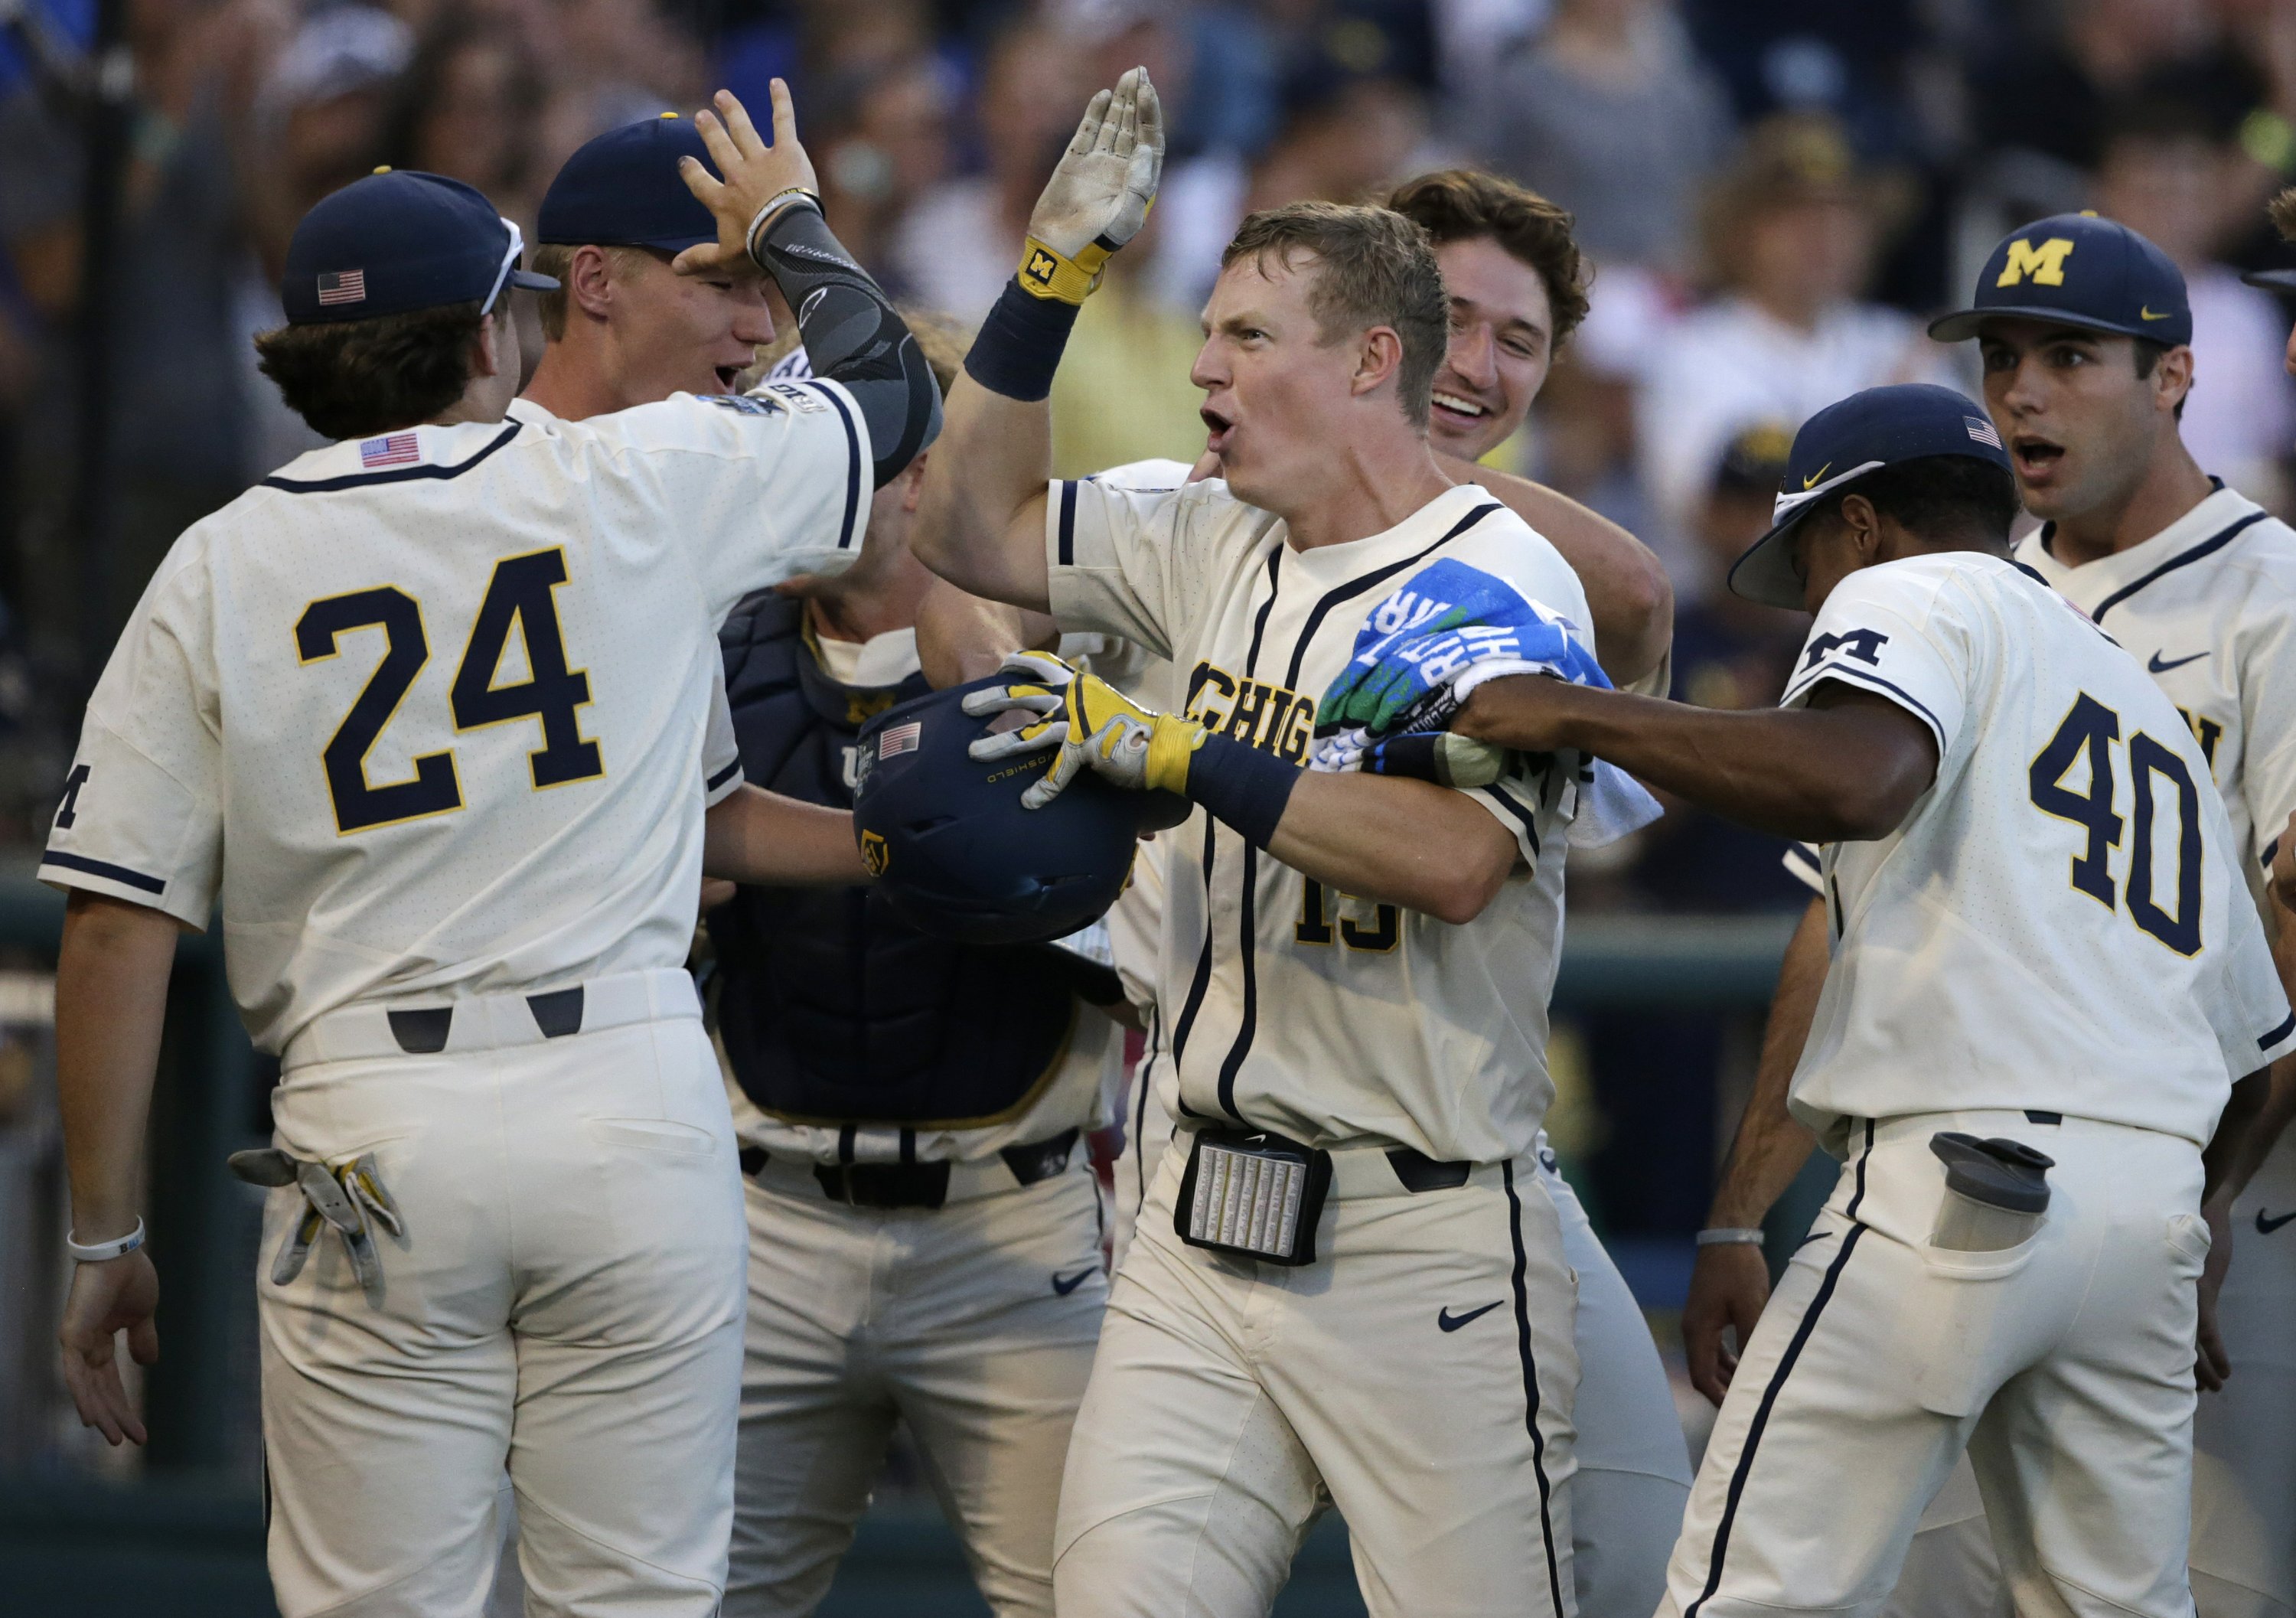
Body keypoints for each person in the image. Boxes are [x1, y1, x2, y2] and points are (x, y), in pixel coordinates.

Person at [46, 85, 940, 1617]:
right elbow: (888, 394)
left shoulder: (218, 560)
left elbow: (119, 930)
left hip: (372, 1124)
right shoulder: (630, 482)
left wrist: (107, 1230)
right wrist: (792, 221)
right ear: (486, 335)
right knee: (638, 1598)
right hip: (626, 1108)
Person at [915, 70, 1631, 1618]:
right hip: (1188, 1222)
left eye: (1248, 334)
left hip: (1419, 1233)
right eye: (1210, 327)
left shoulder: (1494, 590)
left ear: (1372, 358)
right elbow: (965, 530)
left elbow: (1452, 861)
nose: (1205, 363)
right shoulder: (1204, 525)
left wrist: (1184, 752)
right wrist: (1050, 276)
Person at [1455, 381, 2294, 1618]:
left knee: (1755, 1591)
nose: (1808, 606)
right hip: (2152, 1212)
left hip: (1967, 1181)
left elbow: (1859, 778)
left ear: (1856, 525)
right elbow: (2258, 1047)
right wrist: (2200, 1201)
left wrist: (1582, 710)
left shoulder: (1912, 589)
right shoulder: (2134, 701)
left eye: (1804, 564)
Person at [1688, 212, 2296, 1618]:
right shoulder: (1973, 595)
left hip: (2235, 1208)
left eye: (2073, 354)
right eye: (2004, 355)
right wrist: (1737, 1212)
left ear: (2175, 378)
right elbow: (1838, 919)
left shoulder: (2270, 590)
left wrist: (2191, 1203)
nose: (2025, 388)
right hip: (2037, 1191)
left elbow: (2291, 943)